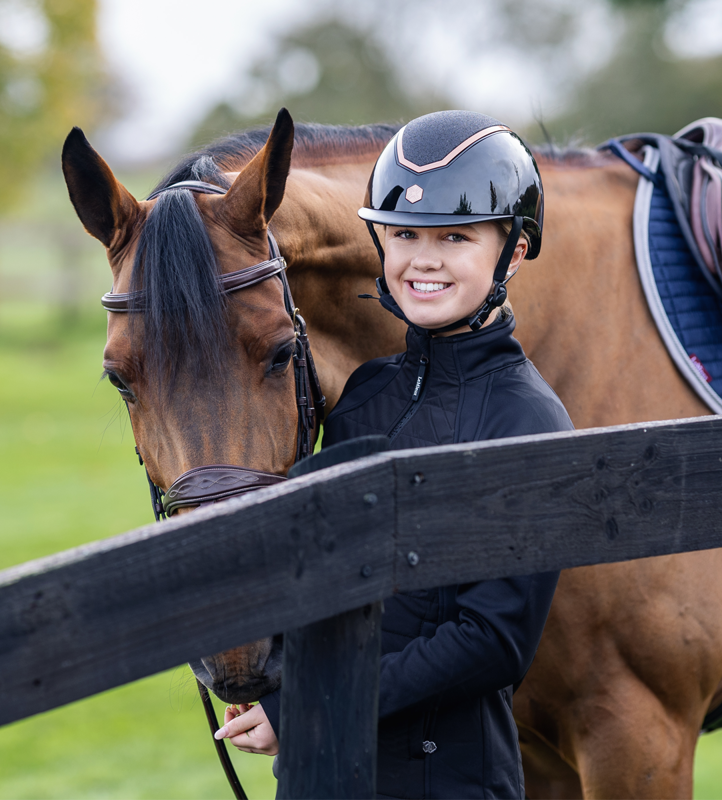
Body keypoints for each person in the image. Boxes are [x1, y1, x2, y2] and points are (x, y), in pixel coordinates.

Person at [215, 110, 574, 799]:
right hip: (321, 775)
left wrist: (311, 709)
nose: (423, 259)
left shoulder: (526, 419)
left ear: (513, 252)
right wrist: (277, 677)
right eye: (404, 233)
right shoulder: (364, 395)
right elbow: (324, 573)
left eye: (455, 236)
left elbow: (492, 640)